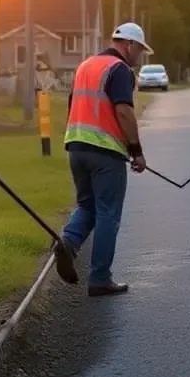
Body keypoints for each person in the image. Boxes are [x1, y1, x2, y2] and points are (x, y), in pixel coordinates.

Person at [57, 23, 151, 296]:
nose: (140, 56)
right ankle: (100, 278)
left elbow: (73, 104)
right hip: (104, 151)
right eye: (140, 50)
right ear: (128, 45)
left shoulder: (86, 65)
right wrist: (136, 151)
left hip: (76, 146)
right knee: (108, 213)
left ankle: (69, 242)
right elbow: (123, 112)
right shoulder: (119, 69)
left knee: (87, 205)